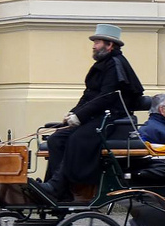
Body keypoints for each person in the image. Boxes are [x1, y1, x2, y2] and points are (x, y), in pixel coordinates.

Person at [39, 24, 144, 201]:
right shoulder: (103, 64)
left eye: (97, 42)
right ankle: (57, 189)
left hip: (112, 119)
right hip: (97, 116)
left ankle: (62, 186)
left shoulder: (115, 65)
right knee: (57, 139)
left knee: (77, 139)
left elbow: (106, 97)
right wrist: (71, 114)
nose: (93, 46)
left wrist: (80, 117)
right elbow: (88, 95)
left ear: (109, 45)